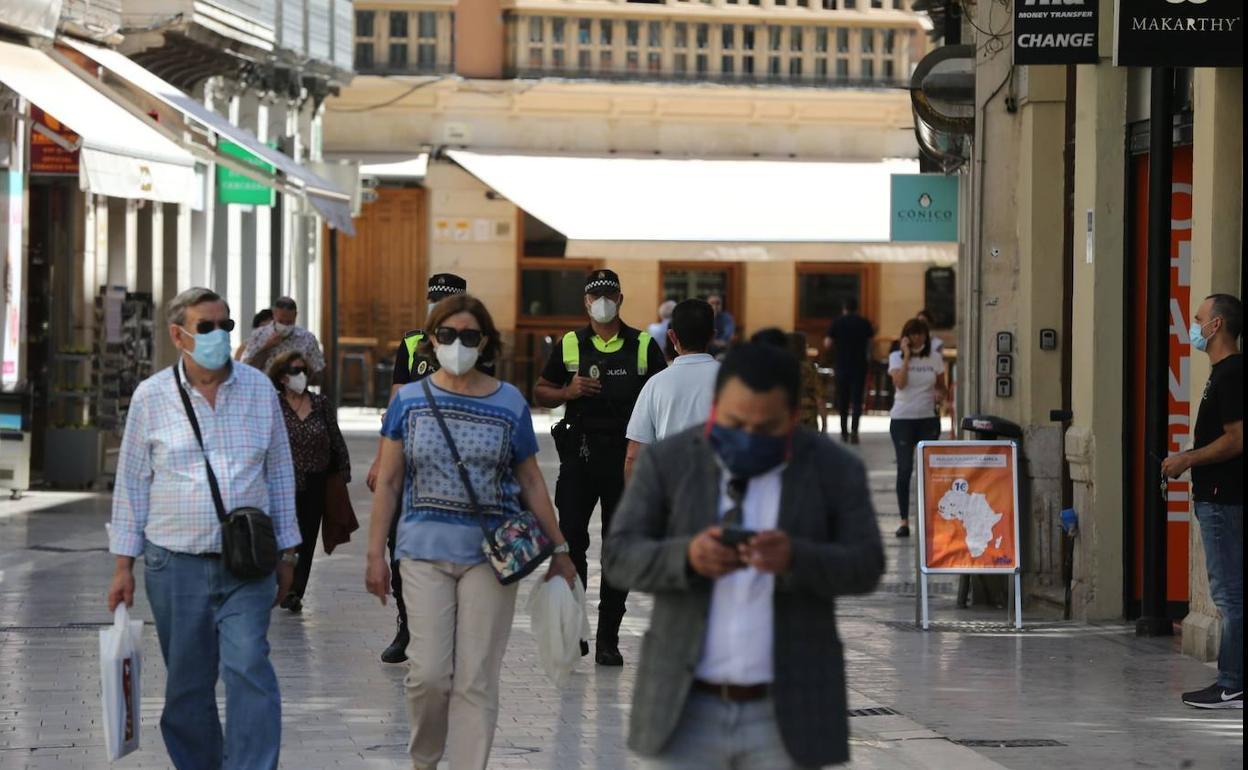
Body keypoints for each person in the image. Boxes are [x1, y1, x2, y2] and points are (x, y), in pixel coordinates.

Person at [603, 342, 884, 770]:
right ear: (716, 408)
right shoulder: (671, 461)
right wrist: (687, 557)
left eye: (764, 428)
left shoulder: (833, 469)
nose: (747, 438)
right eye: (734, 423)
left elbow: (867, 564)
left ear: (793, 419)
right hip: (685, 710)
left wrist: (796, 558)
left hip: (789, 713)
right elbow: (619, 555)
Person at [365, 294, 577, 770]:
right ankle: (424, 761)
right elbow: (391, 479)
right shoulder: (410, 401)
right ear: (431, 340)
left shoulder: (508, 402)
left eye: (468, 336)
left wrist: (559, 549)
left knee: (475, 679)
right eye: (447, 335)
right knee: (429, 676)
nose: (457, 344)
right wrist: (375, 554)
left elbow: (530, 480)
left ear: (484, 343)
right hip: (421, 553)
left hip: (491, 555)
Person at [107, 287, 301, 770]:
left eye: (226, 326)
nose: (219, 335)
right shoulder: (151, 397)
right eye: (207, 326)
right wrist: (122, 567)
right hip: (175, 566)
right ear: (179, 334)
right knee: (187, 689)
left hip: (248, 564)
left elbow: (279, 472)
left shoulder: (258, 390)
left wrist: (289, 553)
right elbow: (131, 484)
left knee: (249, 668)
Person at [534, 269, 666, 666]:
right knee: (572, 542)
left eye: (609, 295)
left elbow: (659, 393)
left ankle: (609, 636)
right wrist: (567, 392)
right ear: (586, 302)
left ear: (620, 299)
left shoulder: (642, 344)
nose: (603, 302)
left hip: (625, 457)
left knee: (617, 547)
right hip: (580, 455)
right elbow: (541, 390)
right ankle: (576, 630)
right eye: (596, 296)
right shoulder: (570, 343)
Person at [366, 272, 473, 664]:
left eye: (447, 299)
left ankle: (450, 629)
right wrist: (381, 458)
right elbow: (396, 406)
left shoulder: (477, 345)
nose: (439, 304)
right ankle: (408, 626)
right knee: (401, 544)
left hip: (460, 467)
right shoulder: (412, 343)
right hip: (412, 460)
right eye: (434, 298)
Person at [1163, 293, 1243, 710]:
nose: (1192, 328)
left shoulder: (1231, 374)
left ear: (1217, 327)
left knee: (1230, 596)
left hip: (1222, 499)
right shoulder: (1223, 373)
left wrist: (1186, 459)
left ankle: (1231, 682)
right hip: (1220, 497)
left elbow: (1236, 439)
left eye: (1198, 321)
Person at [268, 350, 351, 614]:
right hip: (282, 481)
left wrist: (343, 470)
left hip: (316, 480)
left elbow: (334, 437)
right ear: (282, 377)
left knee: (306, 536)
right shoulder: (273, 404)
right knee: (280, 534)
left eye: (303, 369)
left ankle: (295, 590)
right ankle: (276, 581)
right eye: (294, 370)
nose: (300, 375)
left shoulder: (320, 404)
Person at [625, 299, 719, 480]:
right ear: (712, 336)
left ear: (672, 336)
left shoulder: (656, 384)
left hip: (669, 491)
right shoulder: (731, 382)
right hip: (717, 493)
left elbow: (633, 456)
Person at [888, 317, 947, 538]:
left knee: (929, 471)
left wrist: (940, 395)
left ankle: (930, 518)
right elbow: (900, 383)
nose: (917, 337)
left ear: (926, 335)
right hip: (902, 419)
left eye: (920, 333)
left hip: (927, 419)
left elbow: (942, 386)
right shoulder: (895, 357)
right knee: (904, 469)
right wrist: (906, 357)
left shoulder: (935, 358)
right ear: (906, 336)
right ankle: (904, 520)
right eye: (912, 334)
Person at [824, 298, 875, 444]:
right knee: (857, 400)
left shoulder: (837, 322)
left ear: (844, 308)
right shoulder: (864, 322)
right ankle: (854, 430)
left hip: (842, 365)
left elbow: (827, 343)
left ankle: (844, 431)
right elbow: (870, 343)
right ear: (856, 308)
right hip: (859, 365)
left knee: (843, 399)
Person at [242, 296, 326, 380]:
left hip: (296, 389)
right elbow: (247, 368)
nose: (285, 326)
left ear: (295, 315)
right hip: (266, 388)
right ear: (274, 314)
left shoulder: (307, 338)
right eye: (281, 321)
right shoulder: (259, 335)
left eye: (289, 322)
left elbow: (319, 373)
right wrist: (267, 347)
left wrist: (304, 364)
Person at [788, 331, 827, 433]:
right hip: (808, 419)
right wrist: (824, 423)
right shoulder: (810, 368)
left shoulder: (780, 367)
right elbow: (820, 397)